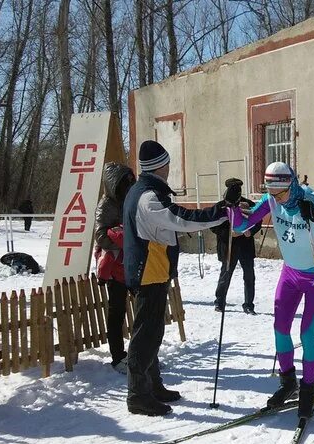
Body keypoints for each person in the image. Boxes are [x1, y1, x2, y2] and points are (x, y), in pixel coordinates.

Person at [122, 140, 229, 416]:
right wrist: (220, 213)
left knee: (152, 332)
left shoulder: (144, 191)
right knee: (145, 334)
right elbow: (179, 219)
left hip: (152, 269)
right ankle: (138, 394)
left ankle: (152, 385)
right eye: (167, 163)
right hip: (148, 270)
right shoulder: (147, 197)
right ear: (161, 166)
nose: (169, 168)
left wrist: (220, 209)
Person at [229, 161, 314, 418]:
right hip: (290, 273)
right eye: (272, 193)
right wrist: (232, 206)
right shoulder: (271, 199)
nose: (276, 199)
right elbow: (240, 227)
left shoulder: (313, 200)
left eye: (280, 193)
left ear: (290, 184)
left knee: (306, 334)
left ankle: (309, 389)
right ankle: (288, 382)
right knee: (280, 329)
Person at [94, 162, 136, 373]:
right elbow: (100, 236)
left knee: (141, 311)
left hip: (132, 262)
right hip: (115, 266)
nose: (128, 187)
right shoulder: (106, 205)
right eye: (124, 183)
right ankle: (117, 356)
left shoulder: (131, 200)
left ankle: (139, 353)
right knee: (117, 312)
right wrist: (122, 238)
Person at [212, 178, 261, 314]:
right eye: (233, 189)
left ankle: (249, 305)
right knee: (225, 275)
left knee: (249, 276)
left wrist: (250, 231)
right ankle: (220, 302)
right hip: (229, 246)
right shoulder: (221, 206)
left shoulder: (248, 204)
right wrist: (228, 233)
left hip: (245, 246)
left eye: (238, 189)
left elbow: (257, 220)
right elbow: (214, 225)